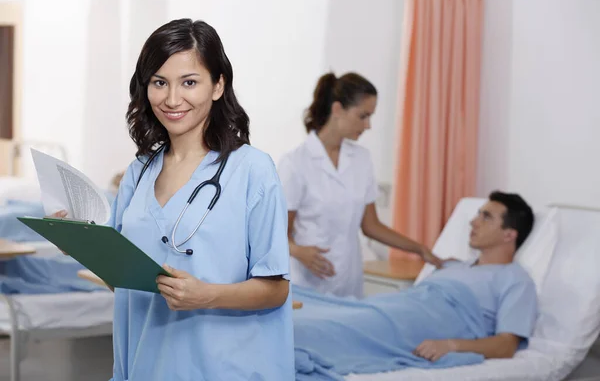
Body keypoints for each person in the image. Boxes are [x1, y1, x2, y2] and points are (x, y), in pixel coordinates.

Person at [56, 19, 294, 380]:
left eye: (189, 82)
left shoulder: (252, 170)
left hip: (223, 368)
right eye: (159, 82)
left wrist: (206, 295)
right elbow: (125, 279)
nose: (171, 99)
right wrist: (80, 242)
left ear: (218, 86)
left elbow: (276, 289)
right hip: (143, 364)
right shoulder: (139, 172)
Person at [293, 191, 538, 378]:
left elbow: (507, 345)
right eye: (477, 214)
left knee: (322, 328)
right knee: (322, 309)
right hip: (397, 308)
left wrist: (450, 345)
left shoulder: (515, 279)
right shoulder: (455, 266)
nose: (474, 222)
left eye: (486, 217)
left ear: (510, 234)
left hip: (419, 322)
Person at [278, 72, 443, 298]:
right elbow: (277, 232)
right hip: (305, 283)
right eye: (363, 116)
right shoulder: (295, 163)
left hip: (348, 279)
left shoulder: (362, 159)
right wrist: (299, 252)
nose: (368, 125)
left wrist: (419, 249)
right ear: (337, 110)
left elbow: (371, 225)